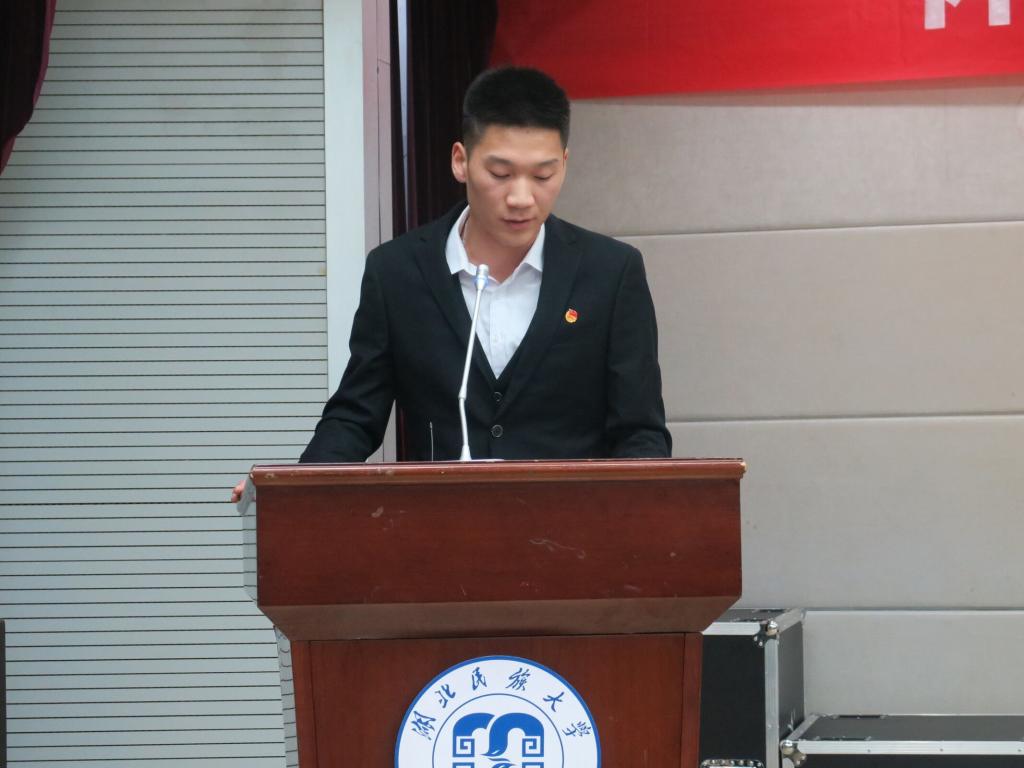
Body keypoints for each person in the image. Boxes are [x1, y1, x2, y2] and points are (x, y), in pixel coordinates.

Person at [231, 66, 669, 500]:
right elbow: (356, 416)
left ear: (565, 165)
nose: (521, 198)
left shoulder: (611, 272)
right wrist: (288, 489)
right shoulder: (397, 272)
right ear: (461, 161)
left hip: (574, 528)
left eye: (542, 176)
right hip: (438, 527)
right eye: (500, 174)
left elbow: (640, 432)